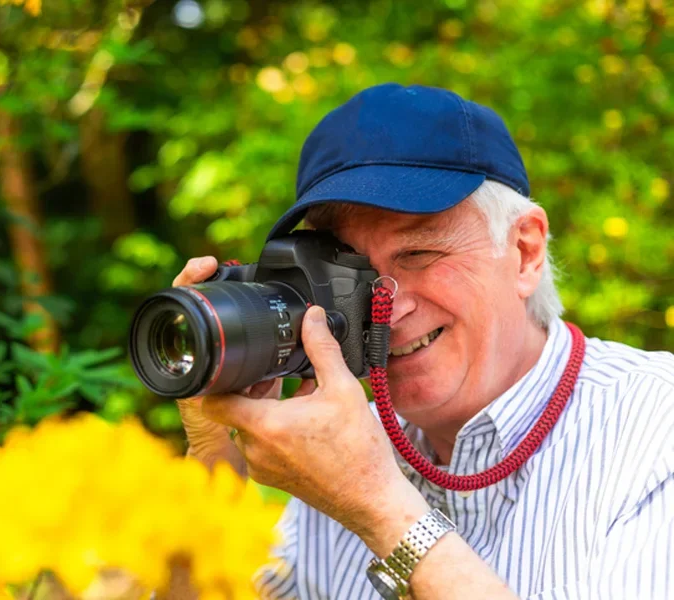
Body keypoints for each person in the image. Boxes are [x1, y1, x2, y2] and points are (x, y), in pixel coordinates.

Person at [171, 84, 674, 599]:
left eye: (417, 255)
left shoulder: (653, 429)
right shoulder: (339, 447)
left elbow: (370, 496)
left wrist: (378, 507)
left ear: (524, 252)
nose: (385, 307)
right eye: (351, 273)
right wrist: (214, 453)